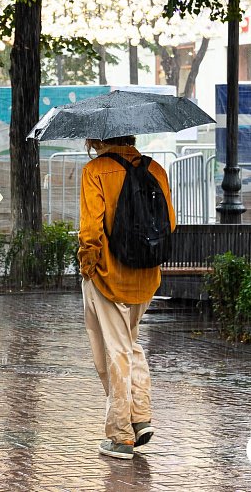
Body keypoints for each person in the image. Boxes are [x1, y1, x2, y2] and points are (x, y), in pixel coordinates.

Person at [77, 136, 175, 461]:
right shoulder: (156, 170)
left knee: (113, 351)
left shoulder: (96, 170)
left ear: (99, 138)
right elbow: (169, 224)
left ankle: (121, 436)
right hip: (145, 277)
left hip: (108, 276)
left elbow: (90, 230)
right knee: (130, 343)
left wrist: (88, 266)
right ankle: (141, 416)